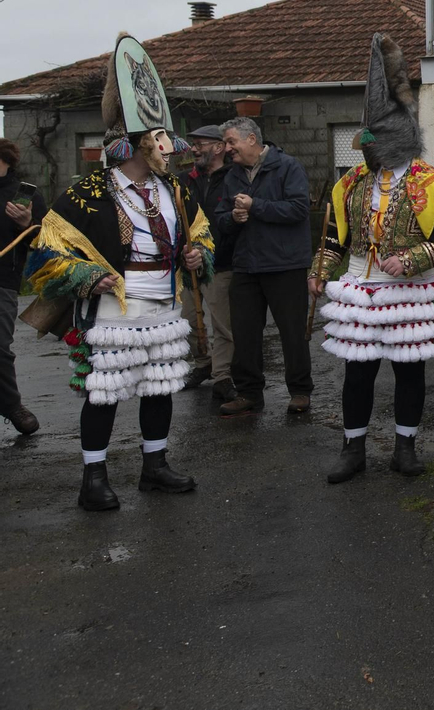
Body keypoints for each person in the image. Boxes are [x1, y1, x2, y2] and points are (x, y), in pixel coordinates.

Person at [23, 35, 212, 509]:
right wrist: (87, 276)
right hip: (113, 308)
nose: (169, 149)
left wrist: (197, 256)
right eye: (159, 140)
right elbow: (46, 252)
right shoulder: (88, 193)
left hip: (164, 303)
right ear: (136, 145)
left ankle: (155, 466)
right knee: (104, 393)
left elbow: (203, 235)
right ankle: (93, 479)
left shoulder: (176, 190)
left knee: (159, 388)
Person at [315, 33, 434, 483]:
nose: (365, 147)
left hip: (410, 289)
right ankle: (353, 450)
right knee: (357, 374)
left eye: (374, 139)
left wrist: (412, 259)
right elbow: (334, 235)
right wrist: (320, 271)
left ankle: (405, 448)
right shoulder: (351, 183)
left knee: (409, 373)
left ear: (396, 138)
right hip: (360, 287)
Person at [214, 117, 313, 415]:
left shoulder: (288, 167)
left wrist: (255, 206)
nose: (227, 148)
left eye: (231, 142)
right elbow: (219, 218)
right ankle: (248, 393)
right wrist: (233, 218)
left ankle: (300, 391)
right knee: (244, 333)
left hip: (285, 264)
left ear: (251, 140)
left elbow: (299, 209)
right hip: (246, 265)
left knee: (292, 332)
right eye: (226, 143)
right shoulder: (232, 175)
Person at [178, 125, 239, 401]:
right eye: (193, 144)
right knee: (189, 322)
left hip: (222, 263)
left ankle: (222, 375)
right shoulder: (184, 180)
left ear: (218, 147)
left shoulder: (234, 177)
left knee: (222, 325)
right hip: (189, 263)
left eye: (199, 144)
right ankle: (203, 364)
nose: (194, 149)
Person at [0, 138, 46, 436]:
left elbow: (43, 242)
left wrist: (26, 224)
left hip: (2, 280)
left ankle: (11, 405)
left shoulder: (25, 194)